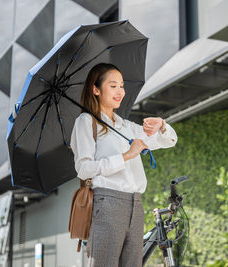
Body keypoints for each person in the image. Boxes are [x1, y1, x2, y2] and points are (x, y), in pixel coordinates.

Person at [69, 63, 178, 267]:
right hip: (107, 203)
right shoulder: (86, 122)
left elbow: (167, 141)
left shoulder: (126, 126)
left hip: (136, 205)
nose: (120, 91)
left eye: (121, 85)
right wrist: (126, 156)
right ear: (96, 89)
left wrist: (162, 125)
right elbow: (83, 169)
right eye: (113, 86)